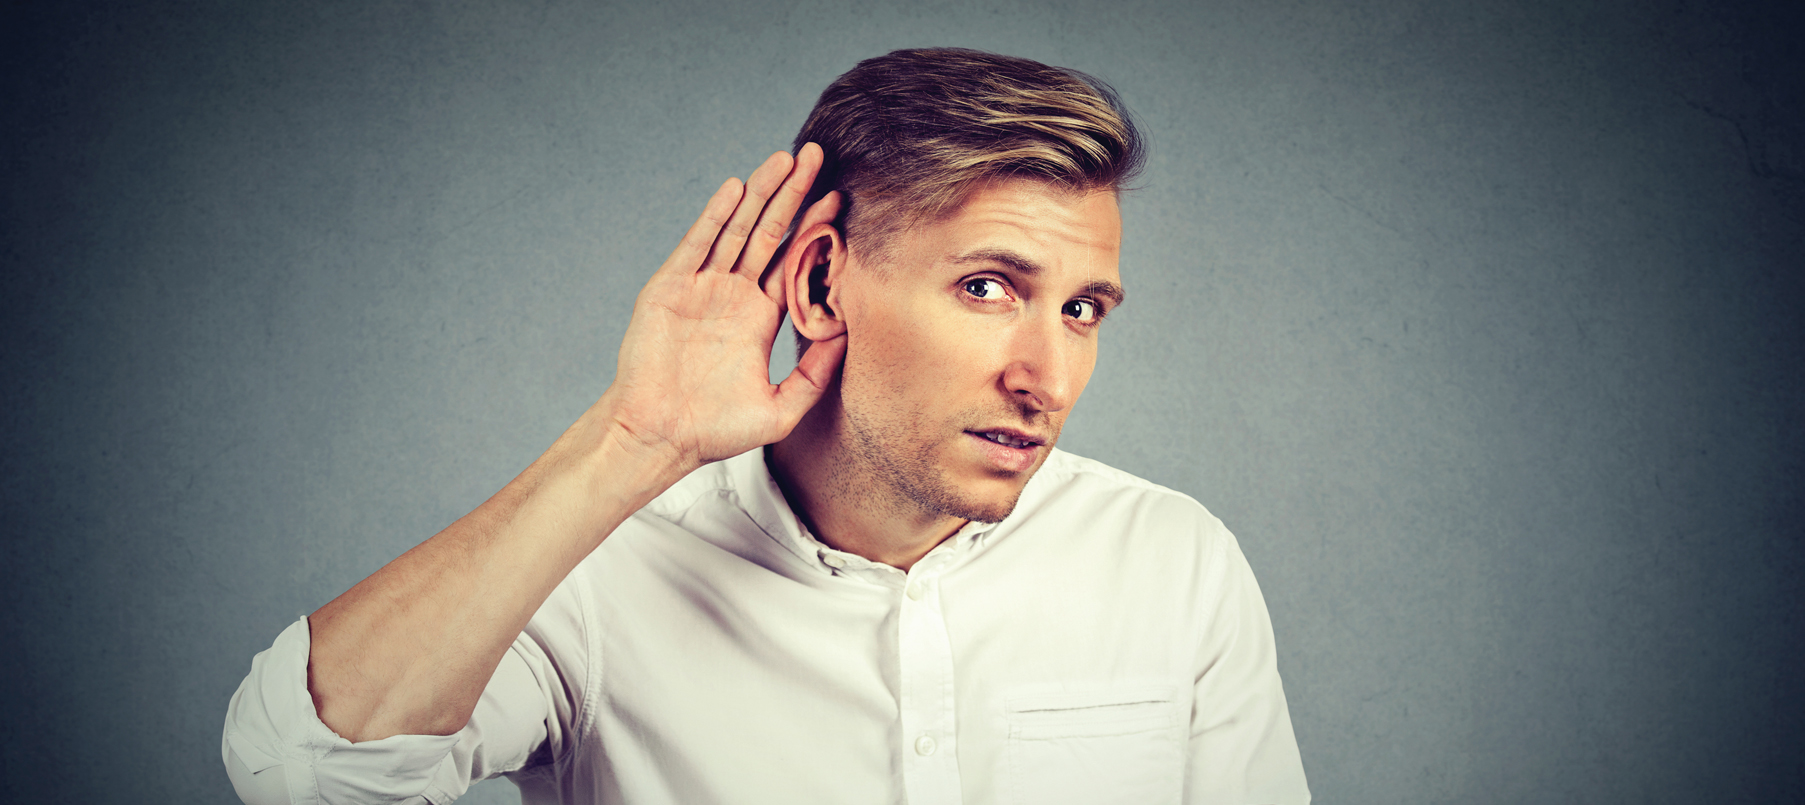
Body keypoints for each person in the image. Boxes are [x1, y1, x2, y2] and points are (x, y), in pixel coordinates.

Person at [222, 47, 1310, 805]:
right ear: (824, 284)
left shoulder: (1174, 562)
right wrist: (627, 443)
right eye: (986, 287)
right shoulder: (604, 577)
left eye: (1081, 310)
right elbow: (305, 771)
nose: (1047, 375)